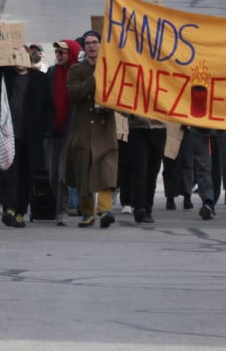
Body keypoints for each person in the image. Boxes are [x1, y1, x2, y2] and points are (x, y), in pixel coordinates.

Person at [66, 30, 119, 227]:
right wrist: (95, 77)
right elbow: (75, 93)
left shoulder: (111, 68)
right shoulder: (76, 70)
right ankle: (87, 212)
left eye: (95, 42)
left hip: (104, 128)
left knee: (106, 170)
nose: (91, 46)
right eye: (88, 43)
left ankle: (105, 211)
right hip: (83, 129)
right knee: (84, 171)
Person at [0, 49, 48, 229]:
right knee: (9, 173)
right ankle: (9, 208)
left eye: (21, 56)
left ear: (28, 58)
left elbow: (48, 107)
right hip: (9, 135)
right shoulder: (5, 77)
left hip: (31, 136)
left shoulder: (40, 79)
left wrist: (43, 130)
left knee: (26, 175)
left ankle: (20, 212)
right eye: (15, 55)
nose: (18, 59)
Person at [43, 39, 80, 225]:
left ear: (71, 53)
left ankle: (62, 211)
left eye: (62, 52)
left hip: (70, 131)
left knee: (64, 174)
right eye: (56, 52)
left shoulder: (78, 74)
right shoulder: (50, 73)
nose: (58, 56)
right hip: (52, 131)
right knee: (52, 174)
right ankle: (57, 206)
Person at [125, 114, 167, 224]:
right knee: (139, 170)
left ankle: (148, 209)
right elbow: (123, 100)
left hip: (158, 128)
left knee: (152, 173)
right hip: (138, 128)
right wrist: (131, 114)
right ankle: (139, 207)